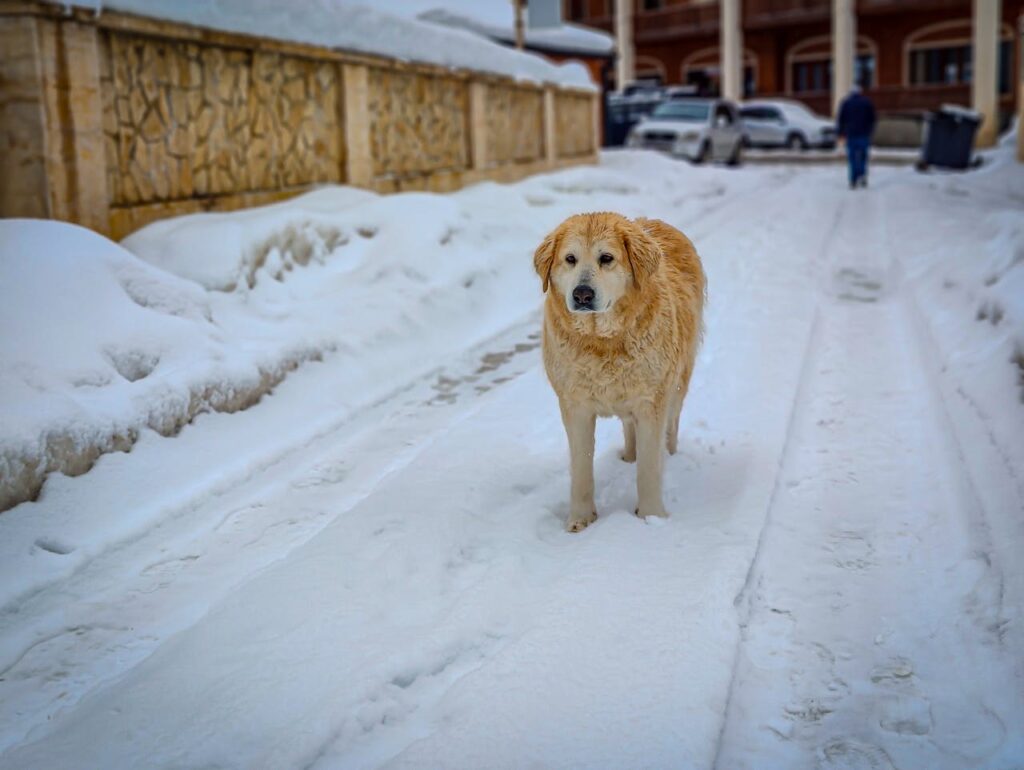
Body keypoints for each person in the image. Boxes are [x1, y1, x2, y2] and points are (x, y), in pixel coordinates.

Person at [836, 83, 876, 189]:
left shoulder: (846, 103)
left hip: (851, 134)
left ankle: (853, 180)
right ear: (860, 92)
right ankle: (862, 176)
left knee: (852, 158)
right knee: (863, 156)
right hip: (864, 134)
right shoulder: (867, 102)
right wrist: (870, 130)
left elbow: (841, 119)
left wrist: (840, 133)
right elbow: (872, 118)